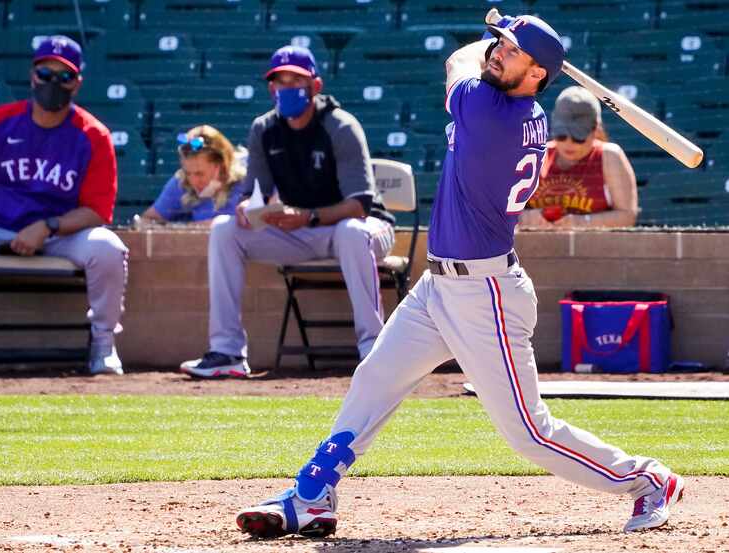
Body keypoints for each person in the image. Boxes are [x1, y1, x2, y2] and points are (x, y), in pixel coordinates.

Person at [234, 15, 683, 539]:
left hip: (484, 294)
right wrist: (511, 35)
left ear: (538, 73)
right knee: (376, 378)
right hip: (440, 285)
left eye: (512, 52)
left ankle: (647, 479)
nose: (498, 53)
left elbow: (457, 61)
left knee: (529, 435)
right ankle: (312, 493)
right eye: (500, 46)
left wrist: (489, 32)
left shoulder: (487, 109)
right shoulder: (526, 109)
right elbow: (489, 62)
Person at [180, 45, 396, 379]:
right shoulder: (263, 129)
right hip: (300, 231)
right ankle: (227, 352)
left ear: (316, 86)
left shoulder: (341, 126)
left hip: (361, 228)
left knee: (352, 231)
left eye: (296, 80)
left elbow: (360, 204)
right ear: (271, 89)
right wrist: (246, 209)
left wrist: (308, 216)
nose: (287, 88)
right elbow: (257, 194)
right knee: (224, 229)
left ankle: (375, 352)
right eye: (280, 82)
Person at [0, 36, 128, 377]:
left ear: (77, 84)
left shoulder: (93, 134)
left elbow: (97, 211)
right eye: (46, 73)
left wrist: (47, 226)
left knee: (108, 249)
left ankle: (104, 344)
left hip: (62, 232)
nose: (53, 83)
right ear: (33, 76)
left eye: (64, 77)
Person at [519, 86, 638, 228]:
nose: (569, 142)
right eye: (561, 135)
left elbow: (627, 216)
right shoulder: (535, 155)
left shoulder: (608, 157)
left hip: (593, 247)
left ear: (595, 130)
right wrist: (527, 217)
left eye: (578, 137)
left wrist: (581, 222)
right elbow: (501, 211)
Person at [135, 125, 245, 226]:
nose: (193, 181)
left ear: (221, 165)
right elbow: (147, 219)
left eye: (199, 174)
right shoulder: (181, 181)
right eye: (188, 173)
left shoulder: (247, 181)